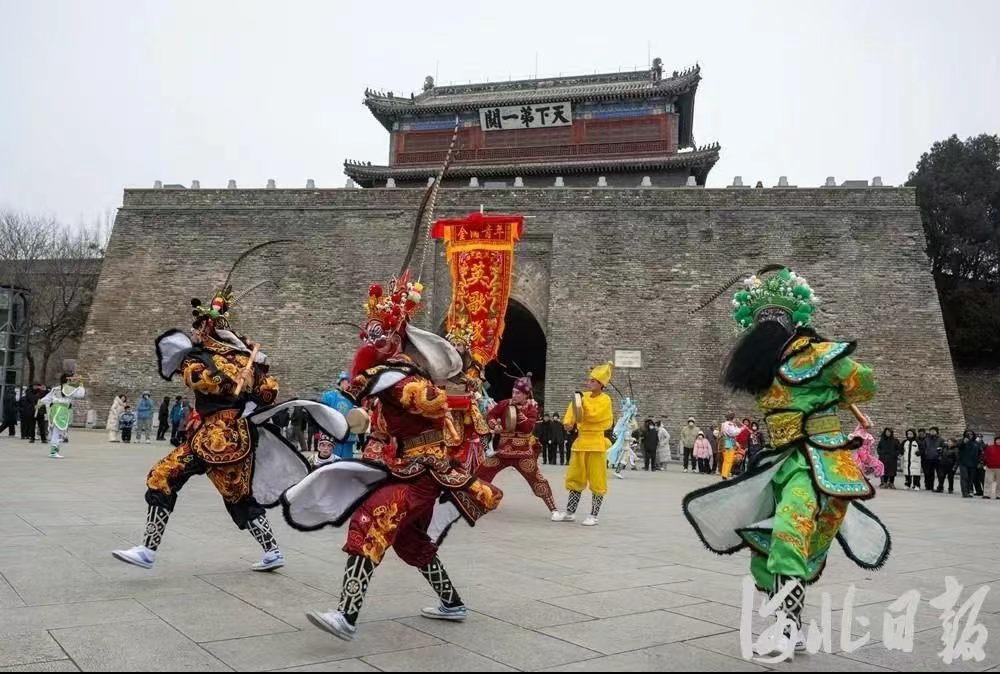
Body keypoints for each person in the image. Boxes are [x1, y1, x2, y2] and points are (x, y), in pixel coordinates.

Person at [683, 265, 886, 659]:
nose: (767, 328)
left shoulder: (816, 354)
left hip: (818, 460)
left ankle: (787, 626)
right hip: (780, 460)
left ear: (790, 323)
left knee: (791, 533)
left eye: (773, 321)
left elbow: (865, 383)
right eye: (763, 322)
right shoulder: (763, 366)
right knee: (771, 541)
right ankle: (789, 624)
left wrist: (836, 385)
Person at [291, 270, 503, 641]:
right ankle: (452, 603)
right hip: (406, 467)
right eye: (369, 334)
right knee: (409, 542)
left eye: (379, 334)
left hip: (423, 471)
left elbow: (427, 401)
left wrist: (398, 390)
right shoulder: (388, 376)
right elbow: (377, 424)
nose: (371, 340)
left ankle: (346, 615)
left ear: (394, 338)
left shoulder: (401, 375)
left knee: (371, 520)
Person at [112, 243, 330, 573]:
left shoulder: (243, 357)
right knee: (183, 481)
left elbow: (269, 392)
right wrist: (233, 379)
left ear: (208, 327)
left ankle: (151, 551)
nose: (194, 331)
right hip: (213, 435)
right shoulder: (203, 358)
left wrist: (252, 380)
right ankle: (152, 549)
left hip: (224, 437)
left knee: (213, 491)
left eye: (198, 326)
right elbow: (197, 379)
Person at [478, 373, 558, 517]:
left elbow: (528, 428)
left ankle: (554, 509)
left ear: (526, 395)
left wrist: (518, 413)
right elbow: (491, 415)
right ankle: (474, 500)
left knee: (537, 480)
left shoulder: (531, 407)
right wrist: (495, 425)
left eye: (518, 393)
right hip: (502, 451)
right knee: (481, 473)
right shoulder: (504, 404)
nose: (514, 395)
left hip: (523, 453)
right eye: (514, 392)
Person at [553, 361, 614, 526]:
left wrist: (581, 403)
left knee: (597, 479)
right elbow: (573, 410)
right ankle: (570, 512)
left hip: (596, 443)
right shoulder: (582, 397)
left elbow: (595, 416)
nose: (589, 382)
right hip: (581, 442)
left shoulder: (605, 400)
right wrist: (568, 422)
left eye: (593, 381)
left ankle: (594, 515)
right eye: (590, 380)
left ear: (601, 384)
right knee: (575, 477)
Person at [37, 372, 86, 459]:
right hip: (61, 410)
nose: (74, 380)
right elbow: (80, 394)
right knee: (58, 432)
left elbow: (47, 398)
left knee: (55, 431)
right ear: (68, 379)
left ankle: (54, 450)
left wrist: (40, 403)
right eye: (73, 378)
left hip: (54, 410)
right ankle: (53, 452)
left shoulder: (56, 388)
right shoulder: (69, 388)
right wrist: (81, 385)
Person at [320, 372, 358, 460]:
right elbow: (323, 414)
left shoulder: (353, 398)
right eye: (345, 381)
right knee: (332, 460)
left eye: (349, 382)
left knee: (347, 461)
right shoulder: (329, 396)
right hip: (333, 434)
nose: (347, 384)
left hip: (348, 435)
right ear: (340, 382)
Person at [718, 412, 743, 480]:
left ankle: (725, 473)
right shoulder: (729, 424)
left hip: (726, 441)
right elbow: (733, 433)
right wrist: (741, 429)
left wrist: (738, 427)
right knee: (728, 458)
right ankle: (725, 474)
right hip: (729, 441)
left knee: (727, 458)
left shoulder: (725, 424)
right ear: (732, 418)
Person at [958, 430, 980, 498]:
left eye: (971, 434)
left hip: (973, 463)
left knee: (971, 479)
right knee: (964, 477)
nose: (970, 435)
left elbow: (979, 453)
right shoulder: (961, 441)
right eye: (968, 434)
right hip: (963, 463)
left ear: (973, 435)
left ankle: (969, 491)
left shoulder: (976, 443)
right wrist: (964, 442)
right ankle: (964, 492)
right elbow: (958, 446)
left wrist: (979, 462)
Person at [922, 426, 943, 492]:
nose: (932, 432)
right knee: (930, 473)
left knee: (940, 474)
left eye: (934, 431)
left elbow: (944, 448)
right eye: (931, 431)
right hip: (929, 458)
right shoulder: (926, 439)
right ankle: (930, 486)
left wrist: (940, 454)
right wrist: (926, 454)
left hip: (937, 459)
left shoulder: (941, 440)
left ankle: (940, 486)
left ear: (937, 432)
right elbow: (924, 448)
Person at [983, 435, 1000, 500]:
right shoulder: (990, 447)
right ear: (995, 441)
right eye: (997, 440)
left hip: (999, 468)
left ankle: (998, 495)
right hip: (990, 467)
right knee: (988, 481)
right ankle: (986, 494)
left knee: (999, 482)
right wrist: (986, 463)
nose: (999, 441)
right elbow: (985, 455)